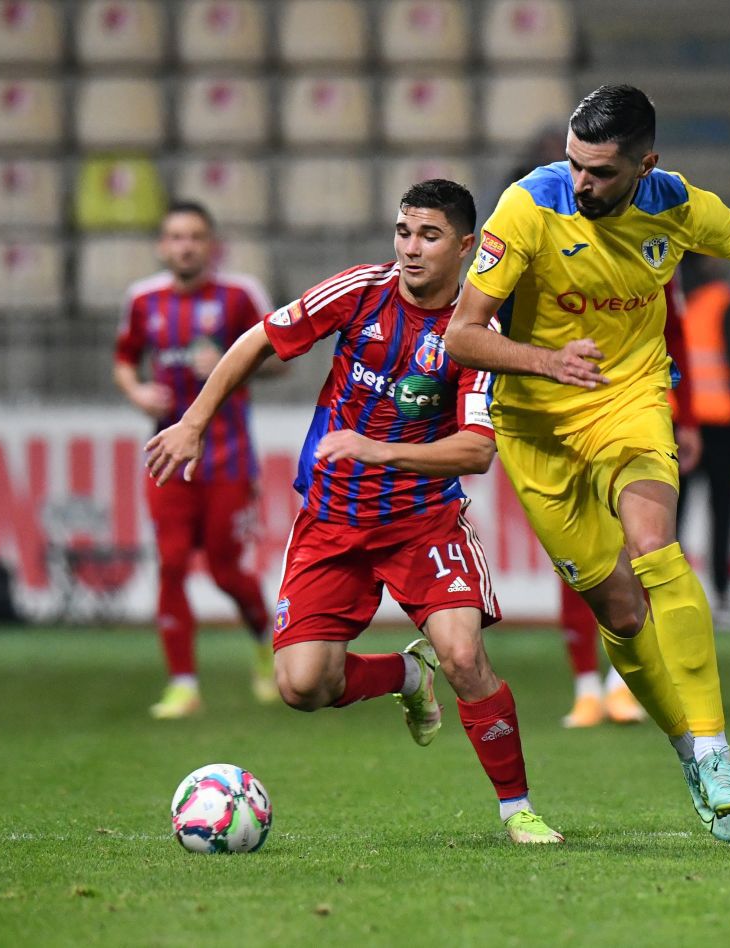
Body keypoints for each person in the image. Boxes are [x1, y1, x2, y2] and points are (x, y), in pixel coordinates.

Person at [445, 84, 730, 844]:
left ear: (645, 164)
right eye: (574, 164)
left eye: (599, 172)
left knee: (656, 543)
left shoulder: (677, 204)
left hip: (630, 399)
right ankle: (687, 749)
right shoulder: (527, 206)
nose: (581, 183)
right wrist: (544, 360)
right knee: (620, 613)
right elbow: (464, 333)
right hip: (534, 426)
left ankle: (717, 751)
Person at [144, 180, 563, 844]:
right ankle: (403, 673)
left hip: (424, 523)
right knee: (302, 686)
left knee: (462, 653)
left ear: (464, 247)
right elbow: (258, 339)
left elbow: (476, 452)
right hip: (331, 521)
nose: (410, 249)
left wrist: (377, 448)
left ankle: (518, 810)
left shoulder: (475, 335)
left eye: (428, 236)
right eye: (402, 232)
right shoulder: (360, 290)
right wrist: (194, 421)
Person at [114, 200, 278, 719]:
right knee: (171, 564)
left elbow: (279, 359)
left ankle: (263, 643)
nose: (185, 245)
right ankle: (183, 685)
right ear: (163, 246)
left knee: (227, 571)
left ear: (211, 245)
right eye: (176, 237)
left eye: (195, 236)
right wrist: (137, 392)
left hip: (228, 458)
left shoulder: (239, 296)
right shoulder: (142, 300)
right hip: (166, 457)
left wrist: (233, 362)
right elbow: (123, 360)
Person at [561, 274, 700, 728]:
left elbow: (675, 331)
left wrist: (690, 417)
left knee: (643, 547)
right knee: (576, 556)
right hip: (567, 417)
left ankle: (625, 685)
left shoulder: (654, 250)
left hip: (635, 418)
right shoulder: (547, 236)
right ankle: (585, 688)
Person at [674, 252, 730, 624]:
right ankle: (722, 596)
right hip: (723, 424)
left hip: (677, 422)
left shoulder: (668, 299)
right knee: (721, 513)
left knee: (672, 516)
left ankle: (671, 597)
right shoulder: (721, 299)